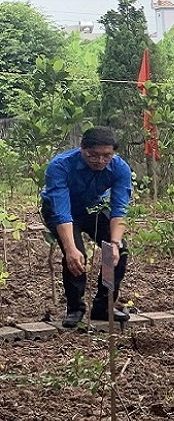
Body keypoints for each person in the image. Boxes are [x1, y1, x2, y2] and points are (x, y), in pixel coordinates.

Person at [40, 126, 132, 327]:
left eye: (106, 156)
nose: (100, 161)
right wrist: (70, 248)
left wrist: (115, 243)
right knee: (75, 254)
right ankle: (75, 308)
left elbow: (119, 208)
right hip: (59, 210)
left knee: (117, 251)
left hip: (92, 208)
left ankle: (102, 306)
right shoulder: (61, 166)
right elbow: (62, 210)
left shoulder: (120, 168)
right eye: (93, 155)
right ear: (82, 149)